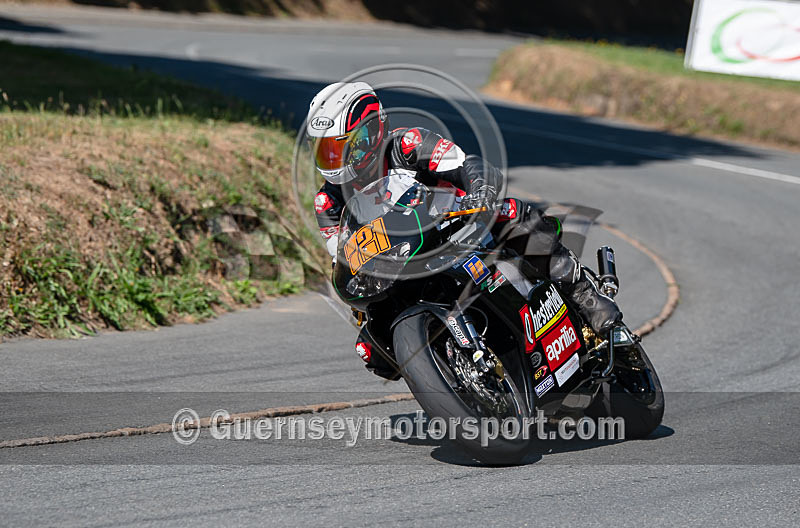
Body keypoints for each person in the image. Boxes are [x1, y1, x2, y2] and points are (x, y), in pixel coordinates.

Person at [307, 82, 620, 379]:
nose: (332, 162)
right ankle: (450, 374)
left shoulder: (407, 144)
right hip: (402, 265)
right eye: (324, 152)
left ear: (370, 132)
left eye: (338, 149)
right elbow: (344, 258)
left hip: (460, 230)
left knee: (512, 213)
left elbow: (465, 164)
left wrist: (479, 189)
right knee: (371, 349)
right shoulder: (328, 202)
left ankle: (584, 295)